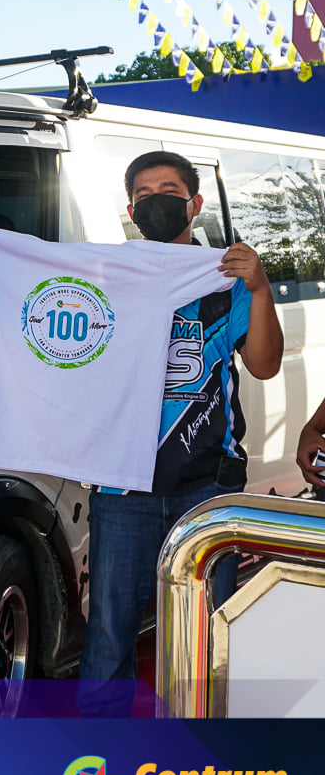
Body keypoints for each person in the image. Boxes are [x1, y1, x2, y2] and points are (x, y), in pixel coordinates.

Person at [77, 150, 284, 717]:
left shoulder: (227, 278)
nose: (156, 202)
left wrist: (260, 289)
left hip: (206, 487)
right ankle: (98, 755)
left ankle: (195, 746)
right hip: (122, 485)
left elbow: (265, 365)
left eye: (168, 191)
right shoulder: (106, 277)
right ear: (130, 210)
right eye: (143, 195)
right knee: (109, 633)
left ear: (195, 204)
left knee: (207, 629)